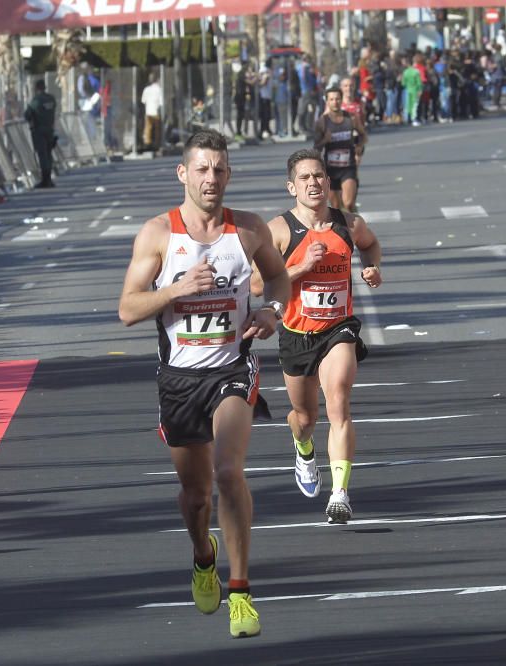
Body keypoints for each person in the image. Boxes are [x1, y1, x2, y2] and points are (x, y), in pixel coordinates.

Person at [117, 129, 291, 639]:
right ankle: (202, 554)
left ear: (228, 175)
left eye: (219, 169)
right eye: (201, 169)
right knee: (195, 497)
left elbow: (278, 279)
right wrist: (175, 288)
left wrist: (273, 311)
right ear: (183, 174)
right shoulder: (157, 235)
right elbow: (127, 308)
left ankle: (241, 591)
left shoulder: (251, 230)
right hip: (178, 379)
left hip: (232, 370)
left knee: (228, 471)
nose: (211, 178)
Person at [255, 148, 382, 524]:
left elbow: (371, 245)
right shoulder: (278, 230)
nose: (314, 183)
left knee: (339, 397)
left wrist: (372, 268)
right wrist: (302, 266)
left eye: (319, 177)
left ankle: (340, 494)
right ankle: (303, 446)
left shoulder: (350, 224)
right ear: (292, 186)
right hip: (296, 334)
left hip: (337, 329)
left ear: (328, 182)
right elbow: (256, 282)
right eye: (305, 178)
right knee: (304, 417)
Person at [314, 87, 367, 212]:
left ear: (341, 100)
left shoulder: (351, 118)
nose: (335, 102)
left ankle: (354, 222)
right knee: (336, 208)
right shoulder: (322, 122)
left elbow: (363, 135)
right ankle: (344, 228)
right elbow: (316, 148)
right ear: (327, 101)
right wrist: (325, 141)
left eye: (337, 99)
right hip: (331, 169)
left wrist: (359, 146)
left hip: (348, 167)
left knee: (348, 203)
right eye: (331, 99)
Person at [24, 80, 57, 188]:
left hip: (39, 131)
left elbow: (27, 114)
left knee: (42, 155)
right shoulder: (51, 99)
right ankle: (49, 179)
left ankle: (45, 180)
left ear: (36, 88)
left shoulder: (36, 100)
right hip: (50, 129)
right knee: (48, 154)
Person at [141, 71, 163, 152]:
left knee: (148, 128)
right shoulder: (159, 89)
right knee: (157, 128)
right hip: (156, 111)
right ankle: (156, 144)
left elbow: (143, 101)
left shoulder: (146, 89)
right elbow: (161, 103)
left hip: (148, 112)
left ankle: (147, 143)